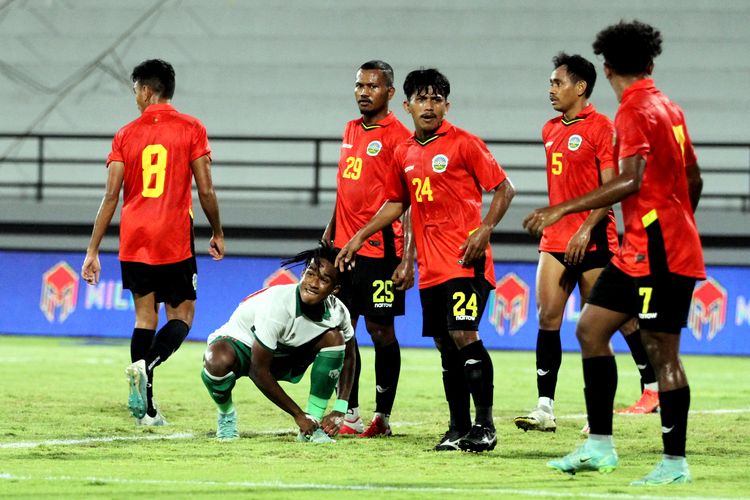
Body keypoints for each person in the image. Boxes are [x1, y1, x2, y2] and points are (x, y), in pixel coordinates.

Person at [523, 20, 704, 485]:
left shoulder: (630, 111)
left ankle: (674, 463)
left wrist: (560, 208)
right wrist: (679, 220)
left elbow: (629, 180)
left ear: (604, 69)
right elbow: (694, 180)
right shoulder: (670, 107)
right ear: (649, 61)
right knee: (590, 328)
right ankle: (600, 446)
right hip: (641, 248)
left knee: (663, 353)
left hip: (659, 250)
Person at [337, 68, 516, 452]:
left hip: (465, 262)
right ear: (408, 105)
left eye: (436, 99)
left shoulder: (465, 144)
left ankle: (485, 426)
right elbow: (399, 204)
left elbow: (505, 188)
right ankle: (458, 428)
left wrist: (485, 229)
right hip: (431, 270)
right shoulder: (404, 151)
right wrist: (363, 238)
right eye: (422, 99)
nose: (429, 106)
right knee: (444, 345)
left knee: (464, 335)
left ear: (447, 106)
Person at [514, 53, 659, 434]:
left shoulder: (602, 128)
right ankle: (545, 407)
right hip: (555, 240)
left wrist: (585, 228)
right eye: (550, 83)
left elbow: (610, 188)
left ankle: (650, 387)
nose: (551, 89)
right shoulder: (549, 129)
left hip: (594, 239)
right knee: (548, 317)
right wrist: (562, 225)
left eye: (557, 83)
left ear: (580, 87)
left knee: (612, 323)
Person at [81, 59, 224, 426]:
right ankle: (147, 366)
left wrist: (93, 249)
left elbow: (110, 197)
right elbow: (205, 188)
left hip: (134, 237)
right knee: (183, 315)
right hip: (172, 237)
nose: (136, 98)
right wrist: (217, 230)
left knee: (145, 317)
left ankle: (146, 409)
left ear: (146, 90)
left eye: (135, 91)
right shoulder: (192, 128)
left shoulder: (125, 135)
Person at [323, 60, 415, 437]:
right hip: (343, 250)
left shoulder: (399, 138)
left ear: (390, 93)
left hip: (381, 253)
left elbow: (408, 201)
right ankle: (350, 412)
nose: (363, 92)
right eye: (359, 85)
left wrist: (408, 256)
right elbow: (345, 186)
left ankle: (383, 417)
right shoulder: (349, 129)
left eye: (372, 86)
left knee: (381, 332)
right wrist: (329, 230)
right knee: (342, 331)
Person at [201, 242, 356, 443]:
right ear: (302, 274)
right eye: (310, 274)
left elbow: (350, 357)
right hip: (243, 346)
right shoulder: (278, 306)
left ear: (335, 289)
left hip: (284, 352)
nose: (313, 283)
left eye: (324, 279)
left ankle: (312, 427)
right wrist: (298, 415)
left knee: (335, 339)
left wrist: (340, 408)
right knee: (216, 361)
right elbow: (258, 369)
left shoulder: (338, 312)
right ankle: (226, 416)